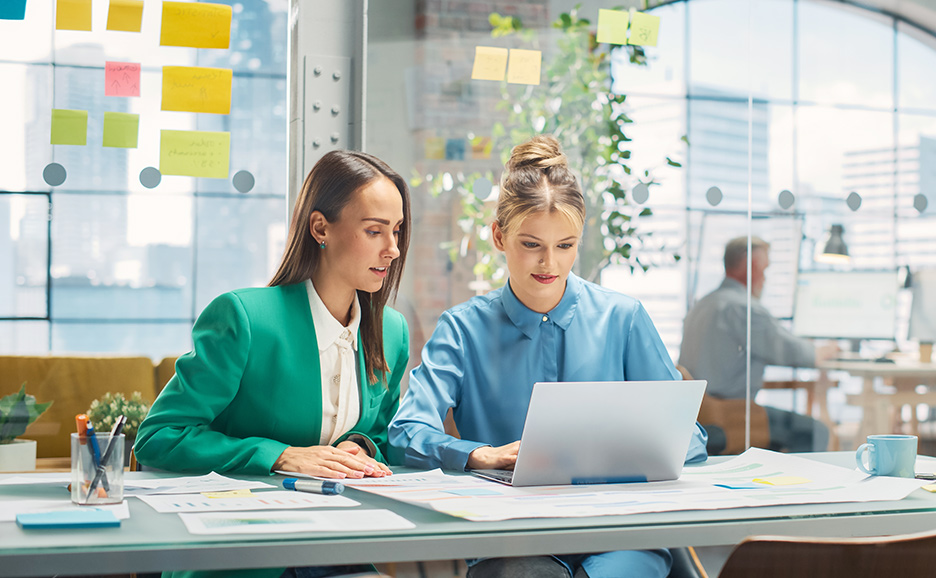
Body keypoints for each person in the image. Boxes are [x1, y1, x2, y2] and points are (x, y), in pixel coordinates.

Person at [388, 135, 707, 578]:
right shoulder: (462, 329)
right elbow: (405, 433)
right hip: (513, 537)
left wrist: (621, 454)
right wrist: (479, 455)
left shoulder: (624, 318)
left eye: (565, 245)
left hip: (616, 532)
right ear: (500, 236)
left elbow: (690, 436)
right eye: (531, 244)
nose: (549, 264)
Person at [134, 150, 412, 578]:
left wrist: (359, 447)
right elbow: (158, 438)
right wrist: (281, 456)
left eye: (396, 231)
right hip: (240, 555)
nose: (392, 249)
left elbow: (379, 431)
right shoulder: (244, 317)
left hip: (339, 543)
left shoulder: (390, 331)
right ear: (321, 227)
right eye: (374, 231)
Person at [679, 236, 836, 454]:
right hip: (731, 414)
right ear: (751, 267)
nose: (765, 278)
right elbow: (792, 352)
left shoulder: (703, 304)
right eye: (765, 269)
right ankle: (801, 486)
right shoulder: (743, 308)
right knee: (814, 431)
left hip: (699, 414)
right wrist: (824, 351)